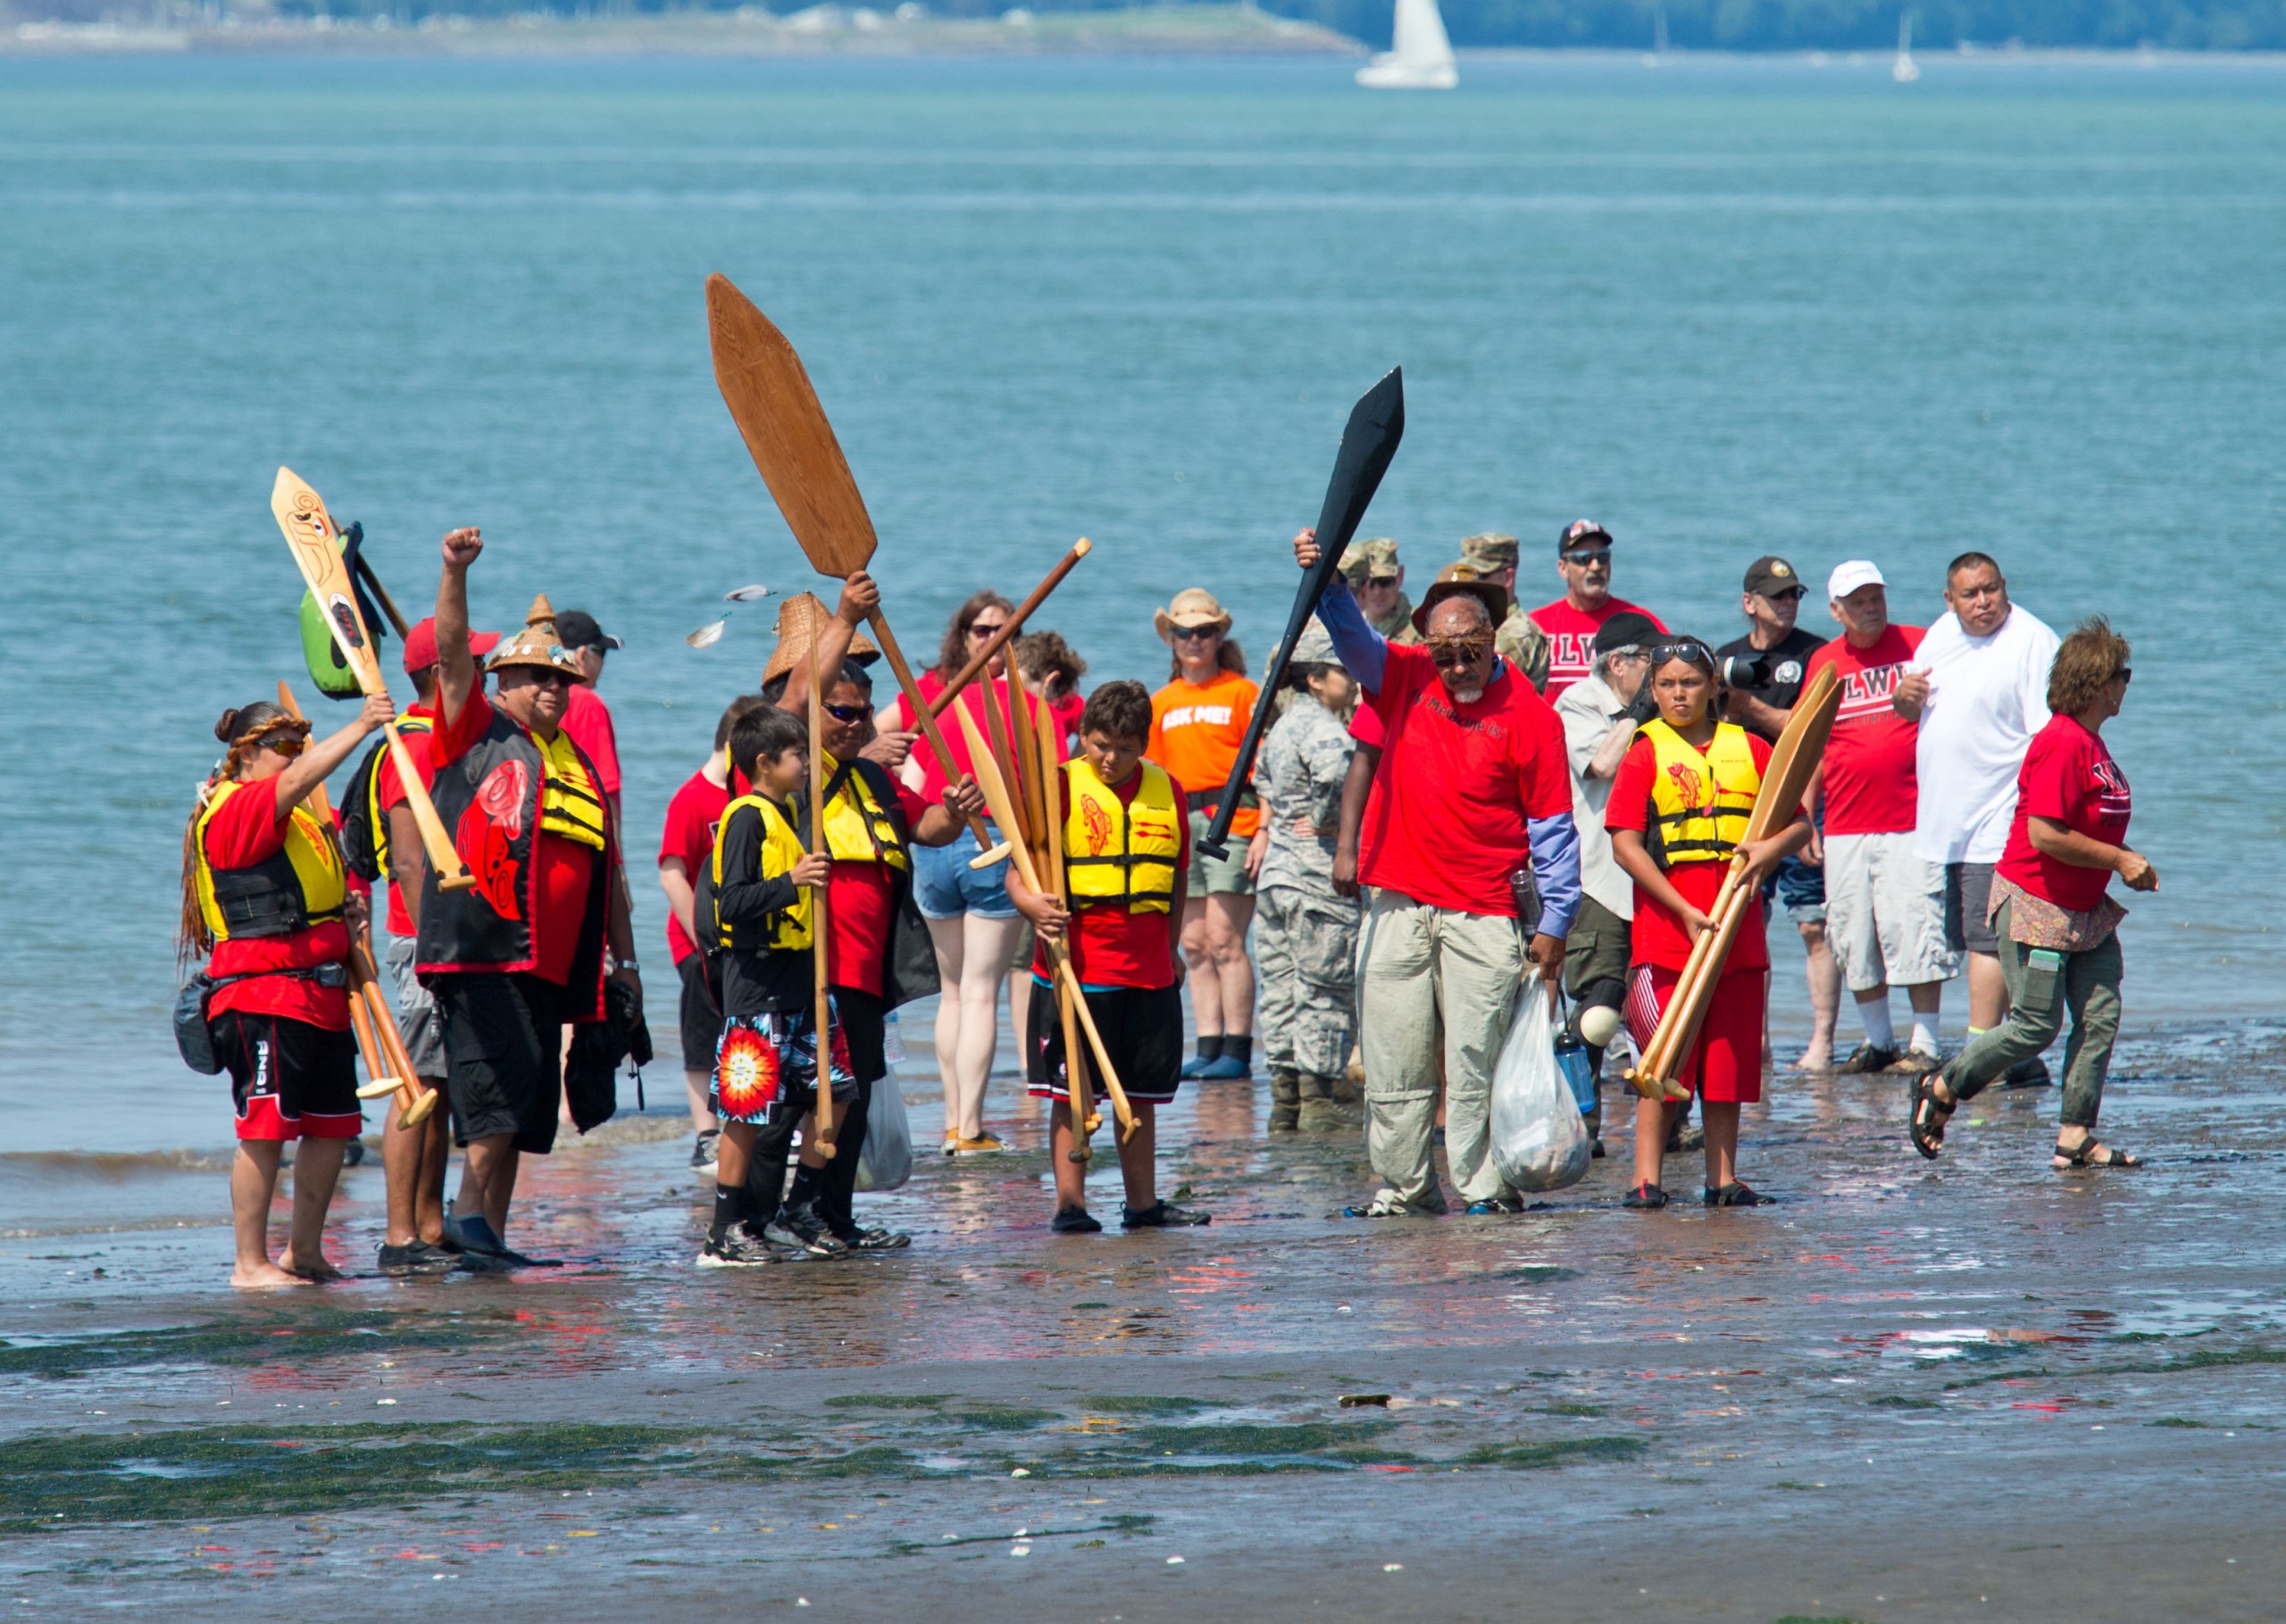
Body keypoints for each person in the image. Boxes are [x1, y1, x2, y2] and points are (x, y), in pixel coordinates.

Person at [1295, 528, 1581, 1219]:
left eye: (1469, 651)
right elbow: (1354, 639)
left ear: (1493, 640)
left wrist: (1555, 925)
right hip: (1397, 903)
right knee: (1394, 1063)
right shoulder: (1402, 676)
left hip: (1486, 911)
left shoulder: (1533, 719)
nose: (1456, 665)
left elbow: (1553, 833)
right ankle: (1406, 1188)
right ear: (1427, 646)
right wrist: (1329, 579)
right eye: (1444, 651)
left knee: (1475, 1061)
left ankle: (1485, 1185)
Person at [417, 533, 639, 1268]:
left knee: (529, 1108)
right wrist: (455, 573)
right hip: (484, 953)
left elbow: (607, 869)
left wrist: (625, 964)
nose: (552, 688)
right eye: (535, 677)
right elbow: (451, 654)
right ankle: (464, 1219)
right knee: (494, 1099)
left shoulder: (572, 760)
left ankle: (489, 1234)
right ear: (501, 679)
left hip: (552, 966)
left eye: (561, 680)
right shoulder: (477, 731)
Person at [757, 579, 985, 1253]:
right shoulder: (795, 769)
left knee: (851, 1101)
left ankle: (832, 1216)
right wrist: (850, 614)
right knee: (795, 1101)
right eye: (843, 713)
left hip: (864, 974)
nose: (857, 724)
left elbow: (931, 828)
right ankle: (759, 1219)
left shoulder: (876, 779)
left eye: (865, 713)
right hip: (808, 968)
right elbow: (798, 702)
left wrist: (960, 808)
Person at [1910, 618, 2153, 1170]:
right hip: (2036, 906)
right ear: (2096, 684)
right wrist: (2120, 860)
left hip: (2085, 911)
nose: (2126, 686)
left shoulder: (2092, 742)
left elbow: (2087, 823)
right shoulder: (2060, 742)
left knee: (2099, 1017)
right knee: (2035, 1026)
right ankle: (1942, 1086)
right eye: (2123, 675)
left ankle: (2075, 1135)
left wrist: (2124, 858)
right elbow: (2044, 833)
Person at [179, 691, 395, 1287]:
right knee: (266, 1126)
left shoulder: (292, 810)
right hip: (263, 994)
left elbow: (304, 884)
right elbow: (303, 777)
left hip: (321, 993)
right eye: (284, 747)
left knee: (334, 1125)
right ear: (248, 753)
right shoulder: (235, 808)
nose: (296, 757)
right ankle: (249, 1263)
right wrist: (362, 723)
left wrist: (341, 915)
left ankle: (305, 1253)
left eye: (300, 745)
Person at [1606, 638, 1812, 1208]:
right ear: (1653, 690)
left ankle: (1722, 1179)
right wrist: (1681, 909)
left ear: (1714, 689)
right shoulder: (1645, 752)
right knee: (1661, 1063)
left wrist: (1770, 851)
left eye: (1691, 683)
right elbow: (1625, 845)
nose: (1680, 694)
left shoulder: (1749, 747)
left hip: (1736, 933)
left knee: (1726, 1066)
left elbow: (1799, 824)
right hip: (1668, 931)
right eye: (1668, 684)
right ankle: (1646, 1180)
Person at [1007, 680, 1211, 1232]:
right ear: (1082, 736)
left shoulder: (1166, 789)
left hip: (1146, 973)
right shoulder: (1059, 786)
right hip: (1076, 970)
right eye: (1099, 744)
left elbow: (1175, 879)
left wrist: (1171, 951)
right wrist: (1033, 908)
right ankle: (1070, 1205)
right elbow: (1015, 875)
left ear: (1143, 743)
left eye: (1123, 747)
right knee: (1071, 1092)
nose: (1109, 758)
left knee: (1138, 1095)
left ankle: (1142, 1205)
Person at [882, 591, 1060, 1155]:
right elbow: (1051, 787)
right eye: (982, 630)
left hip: (937, 845)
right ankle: (969, 1127)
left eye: (1000, 630)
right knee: (976, 993)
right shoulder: (1025, 706)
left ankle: (955, 1124)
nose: (990, 638)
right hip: (976, 843)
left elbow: (876, 745)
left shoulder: (932, 692)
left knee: (956, 995)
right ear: (963, 635)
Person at [363, 615, 497, 1277]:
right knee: (415, 1086)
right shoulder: (412, 746)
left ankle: (429, 1222)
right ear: (438, 674)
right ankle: (397, 1233)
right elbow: (409, 861)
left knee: (438, 1083)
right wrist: (430, 948)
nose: (482, 674)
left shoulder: (445, 740)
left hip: (445, 937)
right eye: (470, 663)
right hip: (421, 938)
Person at [1893, 553, 2060, 1084]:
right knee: (1975, 938)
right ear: (1950, 599)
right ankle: (2018, 1053)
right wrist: (1903, 698)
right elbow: (1906, 708)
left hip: (2000, 815)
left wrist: (2036, 816)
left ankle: (1979, 1058)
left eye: (1991, 589)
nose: (1983, 601)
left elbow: (2049, 735)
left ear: (2005, 586)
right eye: (1971, 594)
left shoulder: (2033, 640)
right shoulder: (1941, 635)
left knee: (1988, 939)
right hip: (1948, 820)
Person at [1805, 561, 1956, 1073]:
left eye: (1876, 598)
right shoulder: (1824, 663)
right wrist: (1805, 816)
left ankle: (1927, 1044)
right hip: (1844, 823)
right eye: (1858, 602)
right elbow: (1813, 747)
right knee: (1852, 936)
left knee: (1915, 931)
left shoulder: (1921, 645)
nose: (1870, 608)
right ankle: (1879, 1042)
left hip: (1912, 819)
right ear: (1836, 610)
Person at [1716, 555, 1842, 1070]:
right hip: (1741, 804)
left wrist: (1750, 709)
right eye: (1777, 596)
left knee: (1813, 923)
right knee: (1746, 924)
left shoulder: (1816, 653)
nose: (1788, 603)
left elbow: (1809, 724)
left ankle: (1822, 1043)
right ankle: (1758, 1043)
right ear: (1749, 603)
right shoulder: (1724, 658)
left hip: (1802, 799)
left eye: (1794, 595)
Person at [1555, 611, 1663, 1152]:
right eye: (1650, 661)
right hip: (1600, 877)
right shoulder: (1577, 701)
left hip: (1656, 873)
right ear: (1618, 663)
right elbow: (1599, 764)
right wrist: (1638, 713)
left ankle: (1670, 1121)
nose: (1659, 672)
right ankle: (1581, 1128)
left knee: (1662, 996)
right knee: (1599, 1006)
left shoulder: (1664, 703)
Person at [1251, 620, 1362, 1133]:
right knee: (1323, 986)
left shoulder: (1278, 729)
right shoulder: (1324, 727)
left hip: (1276, 874)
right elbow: (1339, 772)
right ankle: (1318, 1101)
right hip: (1317, 874)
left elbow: (1263, 784)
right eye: (1343, 670)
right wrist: (1328, 819)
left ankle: (1285, 1101)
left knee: (1279, 986)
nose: (1354, 679)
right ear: (1315, 679)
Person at [1148, 588, 1260, 1082]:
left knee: (1225, 938)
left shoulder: (1242, 691)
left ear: (1219, 636)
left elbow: (1265, 765)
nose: (1194, 640)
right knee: (1192, 943)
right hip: (1180, 823)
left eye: (1205, 631)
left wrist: (1268, 829)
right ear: (1171, 640)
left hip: (1234, 818)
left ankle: (1237, 1048)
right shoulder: (1161, 701)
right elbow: (1151, 770)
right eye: (1185, 632)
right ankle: (1207, 1045)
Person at [658, 694, 771, 1174]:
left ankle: (747, 1125)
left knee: (747, 1033)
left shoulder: (748, 797)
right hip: (697, 944)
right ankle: (705, 1134)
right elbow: (671, 872)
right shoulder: (692, 797)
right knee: (703, 1036)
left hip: (746, 942)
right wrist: (705, 937)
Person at [1528, 520, 1669, 701]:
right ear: (1563, 568)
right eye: (1583, 558)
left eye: (1602, 557)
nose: (1595, 567)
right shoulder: (1536, 625)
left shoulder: (1639, 622)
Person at [1456, 531, 1552, 692]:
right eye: (1466, 574)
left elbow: (1479, 692)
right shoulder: (1479, 623)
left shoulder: (1519, 634)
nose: (1470, 583)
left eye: (1480, 575)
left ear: (1508, 577)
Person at [555, 609, 624, 824]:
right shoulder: (586, 704)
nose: (603, 663)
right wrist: (615, 854)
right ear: (582, 654)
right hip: (580, 832)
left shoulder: (527, 698)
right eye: (601, 653)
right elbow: (604, 787)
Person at [1014, 629, 1088, 753]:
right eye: (1054, 697)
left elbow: (1092, 728)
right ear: (1051, 680)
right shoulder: (1051, 716)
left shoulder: (977, 692)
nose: (1053, 703)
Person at [1339, 538, 1422, 646]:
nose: (1377, 592)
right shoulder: (1340, 623)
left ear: (1400, 576)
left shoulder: (1421, 630)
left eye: (1385, 582)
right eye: (1369, 583)